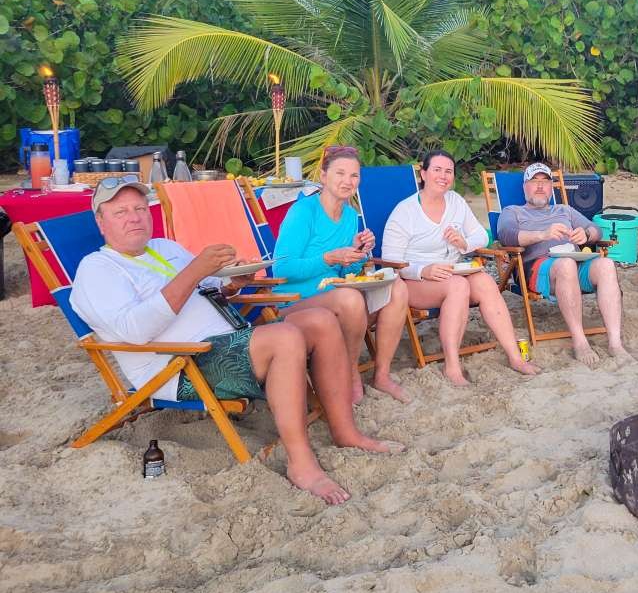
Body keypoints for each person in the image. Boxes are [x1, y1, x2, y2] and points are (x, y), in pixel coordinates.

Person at [70, 177, 399, 505]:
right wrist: (194, 271)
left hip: (230, 340)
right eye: (121, 212)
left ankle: (345, 431)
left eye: (140, 209)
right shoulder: (97, 270)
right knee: (285, 337)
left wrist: (234, 283)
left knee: (321, 320)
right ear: (101, 222)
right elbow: (135, 331)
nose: (134, 218)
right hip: (181, 364)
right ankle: (301, 463)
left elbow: (210, 288)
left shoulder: (164, 248)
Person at [381, 150, 539, 385]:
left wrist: (464, 243)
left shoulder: (455, 201)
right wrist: (423, 270)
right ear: (423, 174)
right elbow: (391, 261)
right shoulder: (405, 212)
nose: (443, 176)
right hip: (414, 280)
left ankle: (515, 357)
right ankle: (452, 366)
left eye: (448, 171)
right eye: (437, 170)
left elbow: (481, 236)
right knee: (457, 286)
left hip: (452, 271)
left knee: (485, 281)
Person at [273, 145, 412, 403]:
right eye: (340, 173)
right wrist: (328, 258)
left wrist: (359, 252)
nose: (348, 181)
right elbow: (281, 269)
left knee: (397, 288)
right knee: (350, 298)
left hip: (340, 300)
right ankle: (350, 373)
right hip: (295, 302)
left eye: (354, 175)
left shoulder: (349, 215)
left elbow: (347, 272)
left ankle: (382, 375)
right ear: (324, 177)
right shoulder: (303, 212)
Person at [496, 162, 630, 366]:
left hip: (575, 264)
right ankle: (580, 342)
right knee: (566, 264)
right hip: (539, 269)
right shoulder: (513, 211)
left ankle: (615, 343)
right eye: (534, 181)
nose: (540, 186)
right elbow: (506, 235)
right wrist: (542, 234)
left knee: (606, 265)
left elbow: (596, 229)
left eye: (545, 181)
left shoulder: (565, 210)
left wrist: (586, 234)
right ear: (525, 187)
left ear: (552, 187)